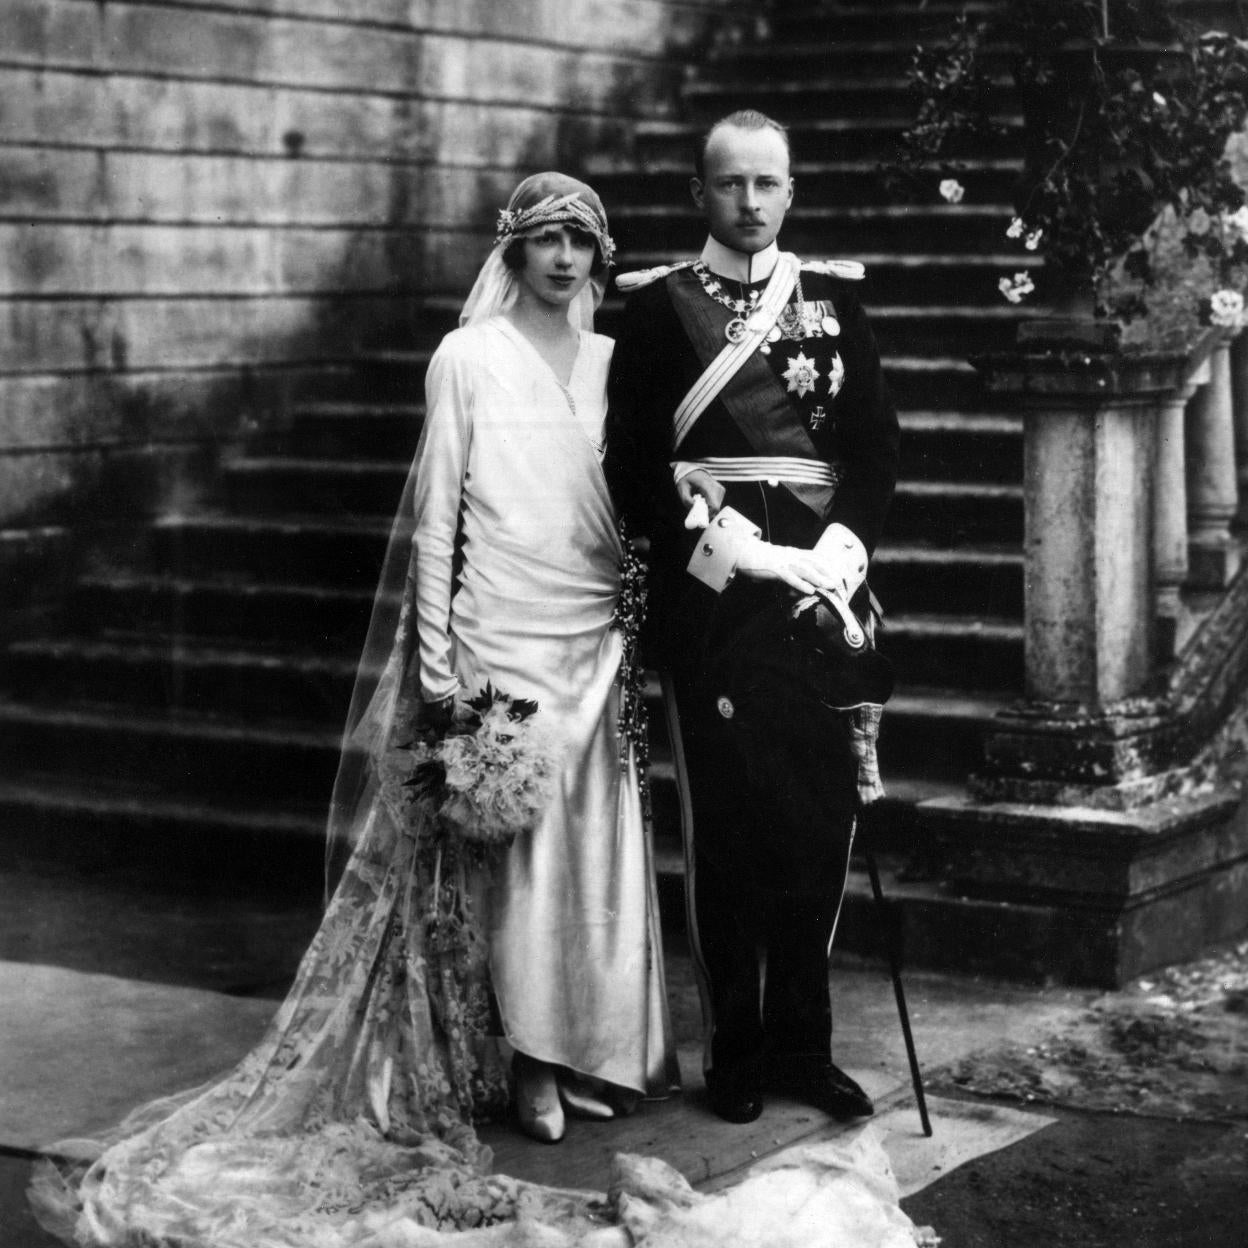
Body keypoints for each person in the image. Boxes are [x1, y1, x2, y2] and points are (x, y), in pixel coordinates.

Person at [29, 172, 678, 1247]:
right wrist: (435, 678)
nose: (564, 261)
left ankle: (581, 1046)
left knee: (595, 851)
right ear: (510, 252)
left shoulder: (615, 362)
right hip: (499, 638)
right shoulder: (466, 358)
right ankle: (520, 1062)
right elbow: (436, 525)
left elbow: (636, 484)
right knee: (513, 860)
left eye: (581, 243)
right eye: (545, 242)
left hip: (596, 635)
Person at [604, 110, 900, 1127]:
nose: (750, 202)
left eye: (767, 183)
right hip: (715, 606)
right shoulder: (651, 314)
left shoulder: (834, 306)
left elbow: (875, 455)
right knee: (727, 834)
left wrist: (841, 553)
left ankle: (803, 1051)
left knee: (820, 828)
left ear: (791, 190)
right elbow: (633, 471)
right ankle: (733, 1049)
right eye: (730, 184)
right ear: (701, 193)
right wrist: (737, 554)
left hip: (820, 604)